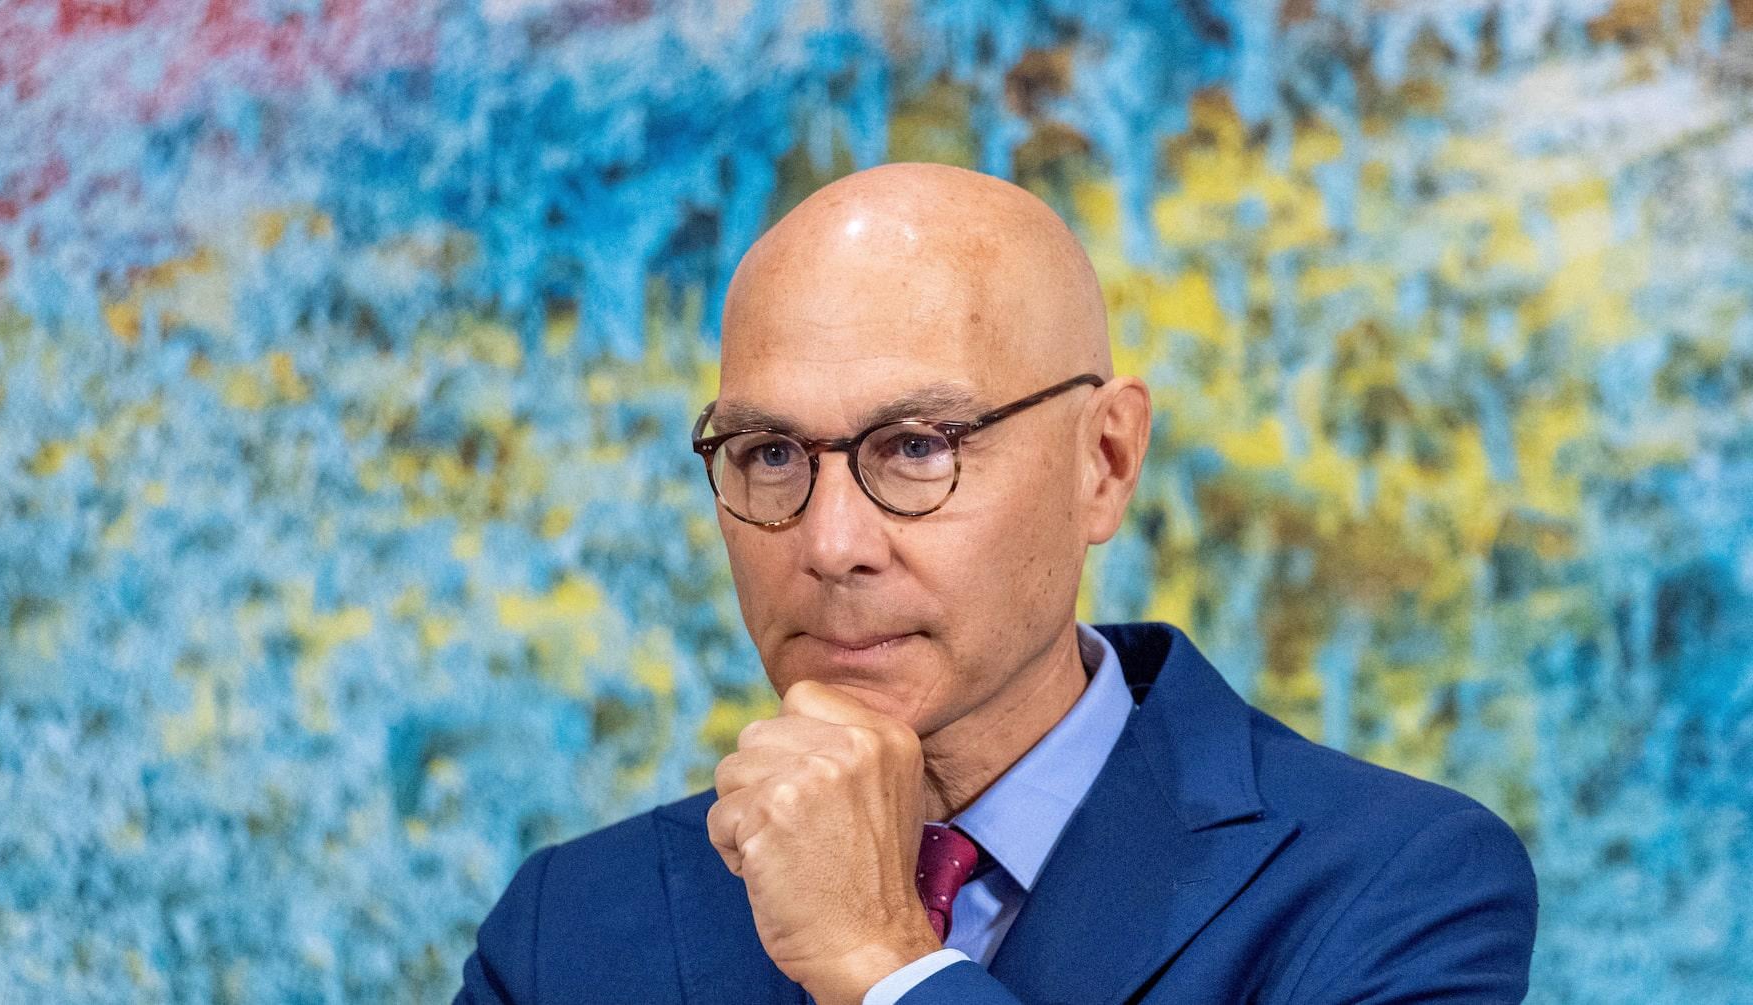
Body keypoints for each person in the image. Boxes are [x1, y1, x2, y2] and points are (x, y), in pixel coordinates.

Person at [454, 163, 1538, 1004]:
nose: (832, 543)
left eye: (918, 446)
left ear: (1103, 462)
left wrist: (885, 963)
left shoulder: (1394, 886)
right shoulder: (568, 926)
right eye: (770, 455)